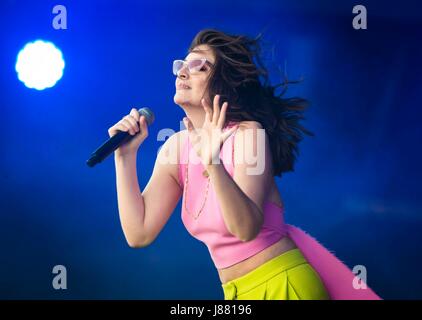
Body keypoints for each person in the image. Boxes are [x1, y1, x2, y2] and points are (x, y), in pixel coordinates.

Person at [108, 29, 381, 300]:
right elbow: (139, 233)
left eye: (198, 66)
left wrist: (213, 163)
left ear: (223, 84)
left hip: (283, 285)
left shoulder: (248, 135)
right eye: (181, 65)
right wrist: (125, 157)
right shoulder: (175, 148)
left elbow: (246, 228)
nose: (182, 72)